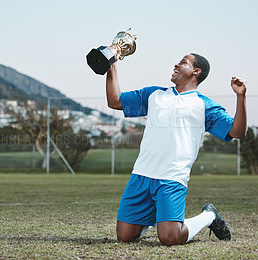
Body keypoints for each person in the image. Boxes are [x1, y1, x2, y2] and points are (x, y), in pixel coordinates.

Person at [106, 47, 247, 246]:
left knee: (170, 238)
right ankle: (157, 217)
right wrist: (111, 63)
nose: (176, 64)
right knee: (125, 236)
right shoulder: (154, 94)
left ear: (196, 71)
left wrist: (241, 97)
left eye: (183, 62)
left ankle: (209, 216)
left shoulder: (204, 105)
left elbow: (237, 132)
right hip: (142, 174)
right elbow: (114, 101)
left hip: (172, 177)